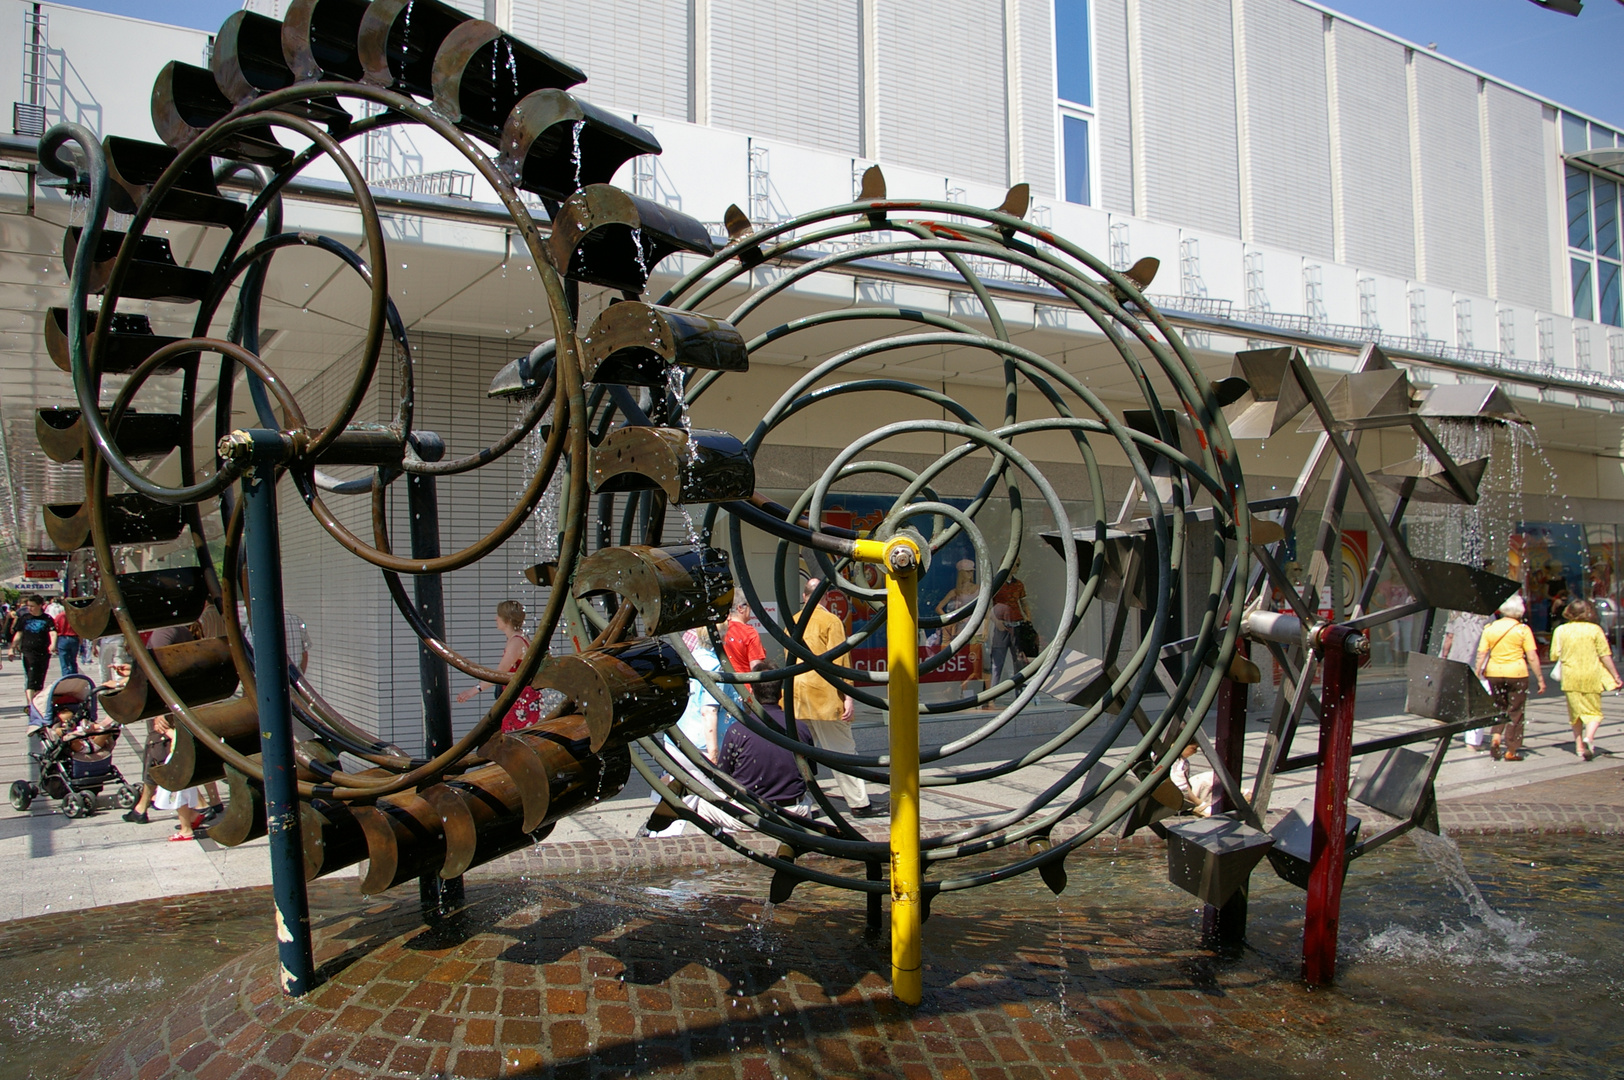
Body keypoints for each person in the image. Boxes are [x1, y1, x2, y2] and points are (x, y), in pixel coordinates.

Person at [791, 578, 879, 817]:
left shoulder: (795, 621)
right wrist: (848, 695)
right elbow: (840, 661)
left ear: (804, 596)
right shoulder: (831, 621)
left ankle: (801, 800)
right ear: (826, 597)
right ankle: (859, 803)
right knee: (842, 751)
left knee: (800, 752)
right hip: (824, 695)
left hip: (797, 696)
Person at [1549, 599, 1622, 761]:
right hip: (1591, 674)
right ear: (1587, 612)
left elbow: (1554, 655)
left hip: (1570, 675)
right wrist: (1615, 675)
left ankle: (1579, 746)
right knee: (1594, 712)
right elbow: (1605, 655)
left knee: (1575, 713)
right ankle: (1589, 737)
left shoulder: (1561, 631)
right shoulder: (1595, 630)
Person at [455, 600, 544, 732]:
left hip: (520, 703)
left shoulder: (516, 642)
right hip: (520, 699)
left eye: (499, 616)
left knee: (513, 741)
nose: (496, 618)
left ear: (507, 620)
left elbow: (499, 674)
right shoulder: (518, 638)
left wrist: (473, 691)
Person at [1476, 594, 1545, 762]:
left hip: (1494, 673)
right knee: (1516, 711)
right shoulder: (1523, 630)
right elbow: (1532, 656)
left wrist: (1478, 671)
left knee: (1499, 706)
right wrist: (1540, 678)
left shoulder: (1490, 628)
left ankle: (1495, 737)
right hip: (1517, 673)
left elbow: (1482, 653)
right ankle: (1511, 749)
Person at [1441, 609, 1491, 749]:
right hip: (1478, 661)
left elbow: (1449, 637)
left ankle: (1446, 725)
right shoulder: (1487, 613)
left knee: (1457, 694)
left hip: (1457, 657)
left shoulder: (1455, 612)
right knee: (1476, 700)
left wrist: (1444, 655)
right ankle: (1472, 742)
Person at [937, 559, 984, 701]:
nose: (970, 574)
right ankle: (957, 690)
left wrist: (986, 628)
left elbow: (985, 609)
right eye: (967, 571)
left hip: (977, 630)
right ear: (962, 574)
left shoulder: (979, 589)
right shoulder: (955, 591)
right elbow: (939, 608)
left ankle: (969, 691)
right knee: (961, 661)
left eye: (971, 571)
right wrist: (951, 619)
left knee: (975, 663)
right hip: (961, 631)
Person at [8, 595, 56, 710]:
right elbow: (18, 634)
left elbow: (53, 632)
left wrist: (53, 644)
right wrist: (12, 648)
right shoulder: (25, 618)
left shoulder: (47, 619)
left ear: (40, 606)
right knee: (31, 674)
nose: (30, 608)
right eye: (28, 606)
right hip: (28, 651)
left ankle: (36, 701)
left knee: (40, 677)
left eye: (32, 606)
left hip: (43, 651)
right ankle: (30, 704)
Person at [722, 594, 766, 678]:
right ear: (740, 608)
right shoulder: (749, 632)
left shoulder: (721, 629)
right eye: (749, 606)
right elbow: (756, 667)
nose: (751, 609)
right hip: (745, 686)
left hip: (724, 684)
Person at [52, 604, 82, 678]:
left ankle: (66, 677)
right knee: (73, 660)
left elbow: (55, 629)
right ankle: (74, 675)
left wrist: (54, 644)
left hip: (63, 638)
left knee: (64, 661)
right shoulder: (76, 617)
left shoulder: (59, 616)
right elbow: (80, 630)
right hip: (74, 638)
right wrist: (81, 640)